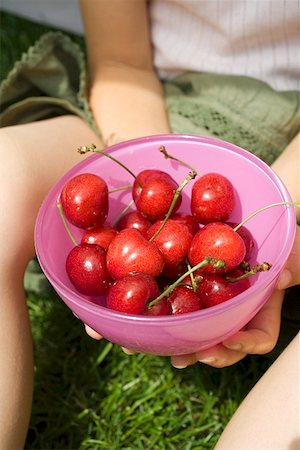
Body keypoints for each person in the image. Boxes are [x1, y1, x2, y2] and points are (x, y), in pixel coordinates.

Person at [0, 1, 299, 448]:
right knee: (7, 174)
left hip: (291, 157)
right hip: (151, 113)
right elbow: (123, 63)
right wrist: (148, 177)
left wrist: (282, 212)